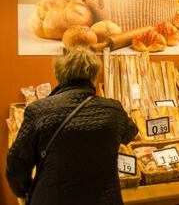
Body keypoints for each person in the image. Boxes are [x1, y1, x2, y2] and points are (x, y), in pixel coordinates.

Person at [6, 46, 138, 205]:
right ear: (94, 75)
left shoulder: (38, 110)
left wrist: (26, 190)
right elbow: (132, 134)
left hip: (51, 198)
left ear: (58, 74)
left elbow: (16, 164)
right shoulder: (113, 109)